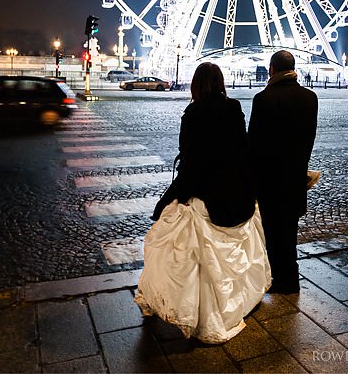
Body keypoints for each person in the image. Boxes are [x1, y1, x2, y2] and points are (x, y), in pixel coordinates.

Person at [135, 62, 270, 344]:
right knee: (221, 259)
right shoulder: (233, 108)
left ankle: (196, 312)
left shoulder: (193, 113)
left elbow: (191, 160)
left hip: (204, 193)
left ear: (196, 85)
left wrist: (171, 196)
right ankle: (228, 306)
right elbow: (241, 150)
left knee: (189, 257)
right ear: (220, 82)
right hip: (232, 192)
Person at [247, 49, 318, 294]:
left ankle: (280, 279)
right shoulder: (310, 98)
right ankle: (291, 278)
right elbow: (309, 137)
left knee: (273, 233)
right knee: (289, 231)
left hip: (270, 180)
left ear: (272, 70)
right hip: (296, 177)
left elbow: (254, 143)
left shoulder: (263, 99)